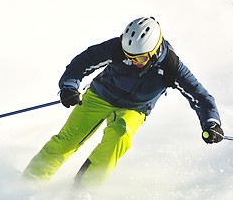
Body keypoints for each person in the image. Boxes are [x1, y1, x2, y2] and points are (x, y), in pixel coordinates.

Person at [22, 17, 224, 191]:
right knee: (67, 139)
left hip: (135, 109)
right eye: (129, 57)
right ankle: (29, 184)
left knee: (119, 136)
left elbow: (201, 97)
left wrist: (211, 123)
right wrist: (69, 87)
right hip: (100, 96)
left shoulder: (171, 67)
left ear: (154, 52)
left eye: (141, 58)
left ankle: (82, 190)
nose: (133, 61)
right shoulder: (117, 48)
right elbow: (83, 62)